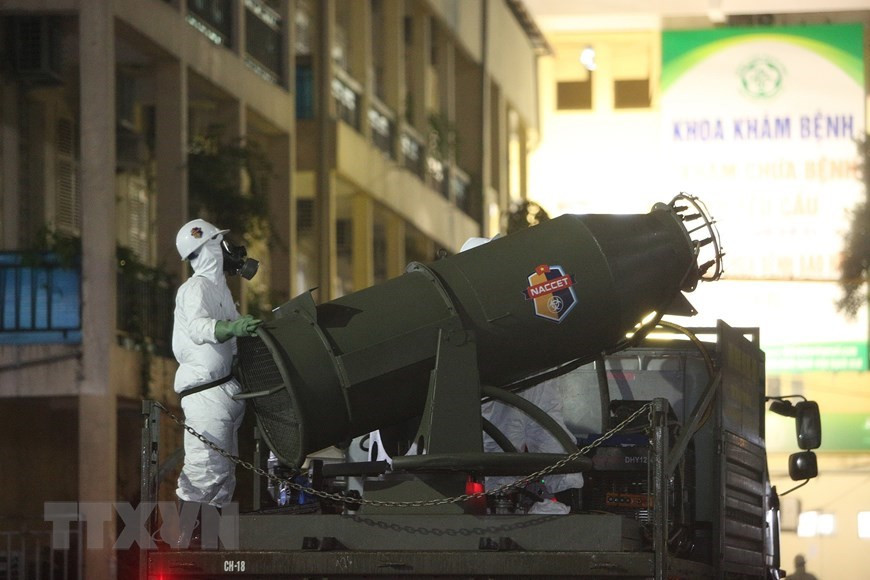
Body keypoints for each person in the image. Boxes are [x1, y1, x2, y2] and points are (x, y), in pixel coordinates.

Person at [461, 236, 584, 514]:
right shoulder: (486, 315)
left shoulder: (511, 315)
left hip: (501, 472)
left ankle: (548, 490)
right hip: (485, 470)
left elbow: (542, 416)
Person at [172, 218, 261, 546]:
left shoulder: (218, 290)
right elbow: (199, 328)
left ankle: (209, 545)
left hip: (223, 390)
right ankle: (190, 545)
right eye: (222, 244)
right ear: (208, 248)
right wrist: (235, 329)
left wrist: (245, 331)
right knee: (204, 473)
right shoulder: (195, 289)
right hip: (206, 395)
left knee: (221, 479)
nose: (231, 250)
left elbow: (234, 340)